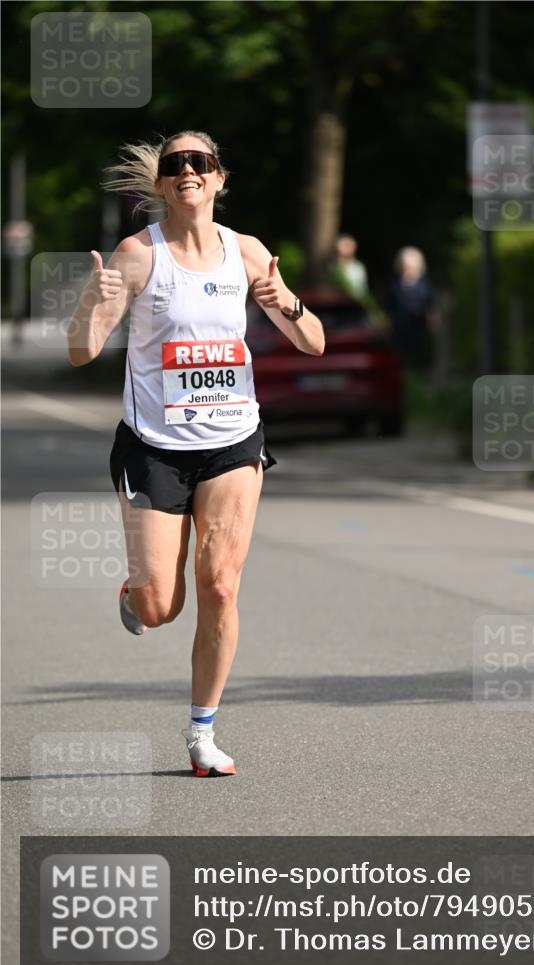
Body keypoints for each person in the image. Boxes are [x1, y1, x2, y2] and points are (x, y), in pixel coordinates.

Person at [67, 130, 325, 777]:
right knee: (161, 606)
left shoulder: (248, 253)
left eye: (199, 162)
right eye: (174, 164)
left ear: (218, 178)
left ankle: (201, 732)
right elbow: (81, 350)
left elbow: (313, 341)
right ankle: (137, 591)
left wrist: (284, 303)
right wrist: (92, 308)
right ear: (160, 185)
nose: (187, 171)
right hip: (154, 446)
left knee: (220, 585)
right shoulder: (137, 256)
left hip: (233, 442)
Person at [387, 245, 434, 371]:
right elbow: (391, 306)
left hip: (418, 326)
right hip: (400, 328)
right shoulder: (395, 284)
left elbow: (429, 304)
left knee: (418, 355)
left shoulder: (424, 284)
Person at [332, 233, 368, 298]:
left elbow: (358, 291)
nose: (344, 248)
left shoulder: (358, 268)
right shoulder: (331, 267)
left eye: (347, 245)